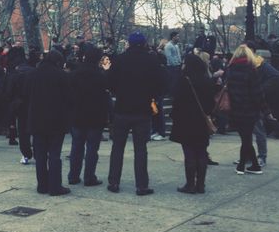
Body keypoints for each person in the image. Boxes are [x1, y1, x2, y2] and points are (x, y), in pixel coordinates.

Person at [106, 32, 166, 196]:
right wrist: (151, 96)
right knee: (141, 149)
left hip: (122, 108)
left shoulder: (119, 60)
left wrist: (119, 92)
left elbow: (109, 82)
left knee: (117, 147)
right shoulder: (151, 60)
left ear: (130, 44)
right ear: (144, 43)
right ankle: (141, 185)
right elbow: (161, 83)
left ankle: (114, 182)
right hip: (142, 110)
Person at [26, 50, 71, 196]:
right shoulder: (61, 76)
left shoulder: (33, 75)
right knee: (54, 154)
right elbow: (68, 99)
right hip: (56, 121)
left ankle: (42, 185)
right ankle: (55, 186)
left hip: (37, 120)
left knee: (40, 155)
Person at [169, 54, 215, 194]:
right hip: (201, 121)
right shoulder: (206, 80)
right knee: (201, 152)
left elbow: (176, 99)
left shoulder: (184, 80)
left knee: (189, 152)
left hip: (185, 121)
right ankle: (200, 184)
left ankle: (190, 184)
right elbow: (211, 103)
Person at [67, 44, 108, 187]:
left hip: (77, 115)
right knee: (92, 149)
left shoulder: (74, 74)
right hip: (95, 116)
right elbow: (105, 97)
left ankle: (73, 175)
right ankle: (89, 177)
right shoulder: (101, 76)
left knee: (76, 147)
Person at [226, 45, 269, 175]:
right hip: (250, 110)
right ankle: (246, 166)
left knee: (245, 138)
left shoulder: (230, 69)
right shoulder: (251, 70)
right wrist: (265, 110)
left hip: (235, 109)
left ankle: (247, 165)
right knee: (247, 138)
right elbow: (257, 93)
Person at [164, 31, 182, 95]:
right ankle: (171, 94)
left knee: (176, 81)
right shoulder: (168, 46)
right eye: (177, 36)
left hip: (177, 65)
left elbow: (178, 55)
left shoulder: (176, 46)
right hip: (171, 67)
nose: (178, 38)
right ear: (173, 37)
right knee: (172, 81)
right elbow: (169, 57)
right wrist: (175, 65)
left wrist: (180, 63)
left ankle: (174, 93)